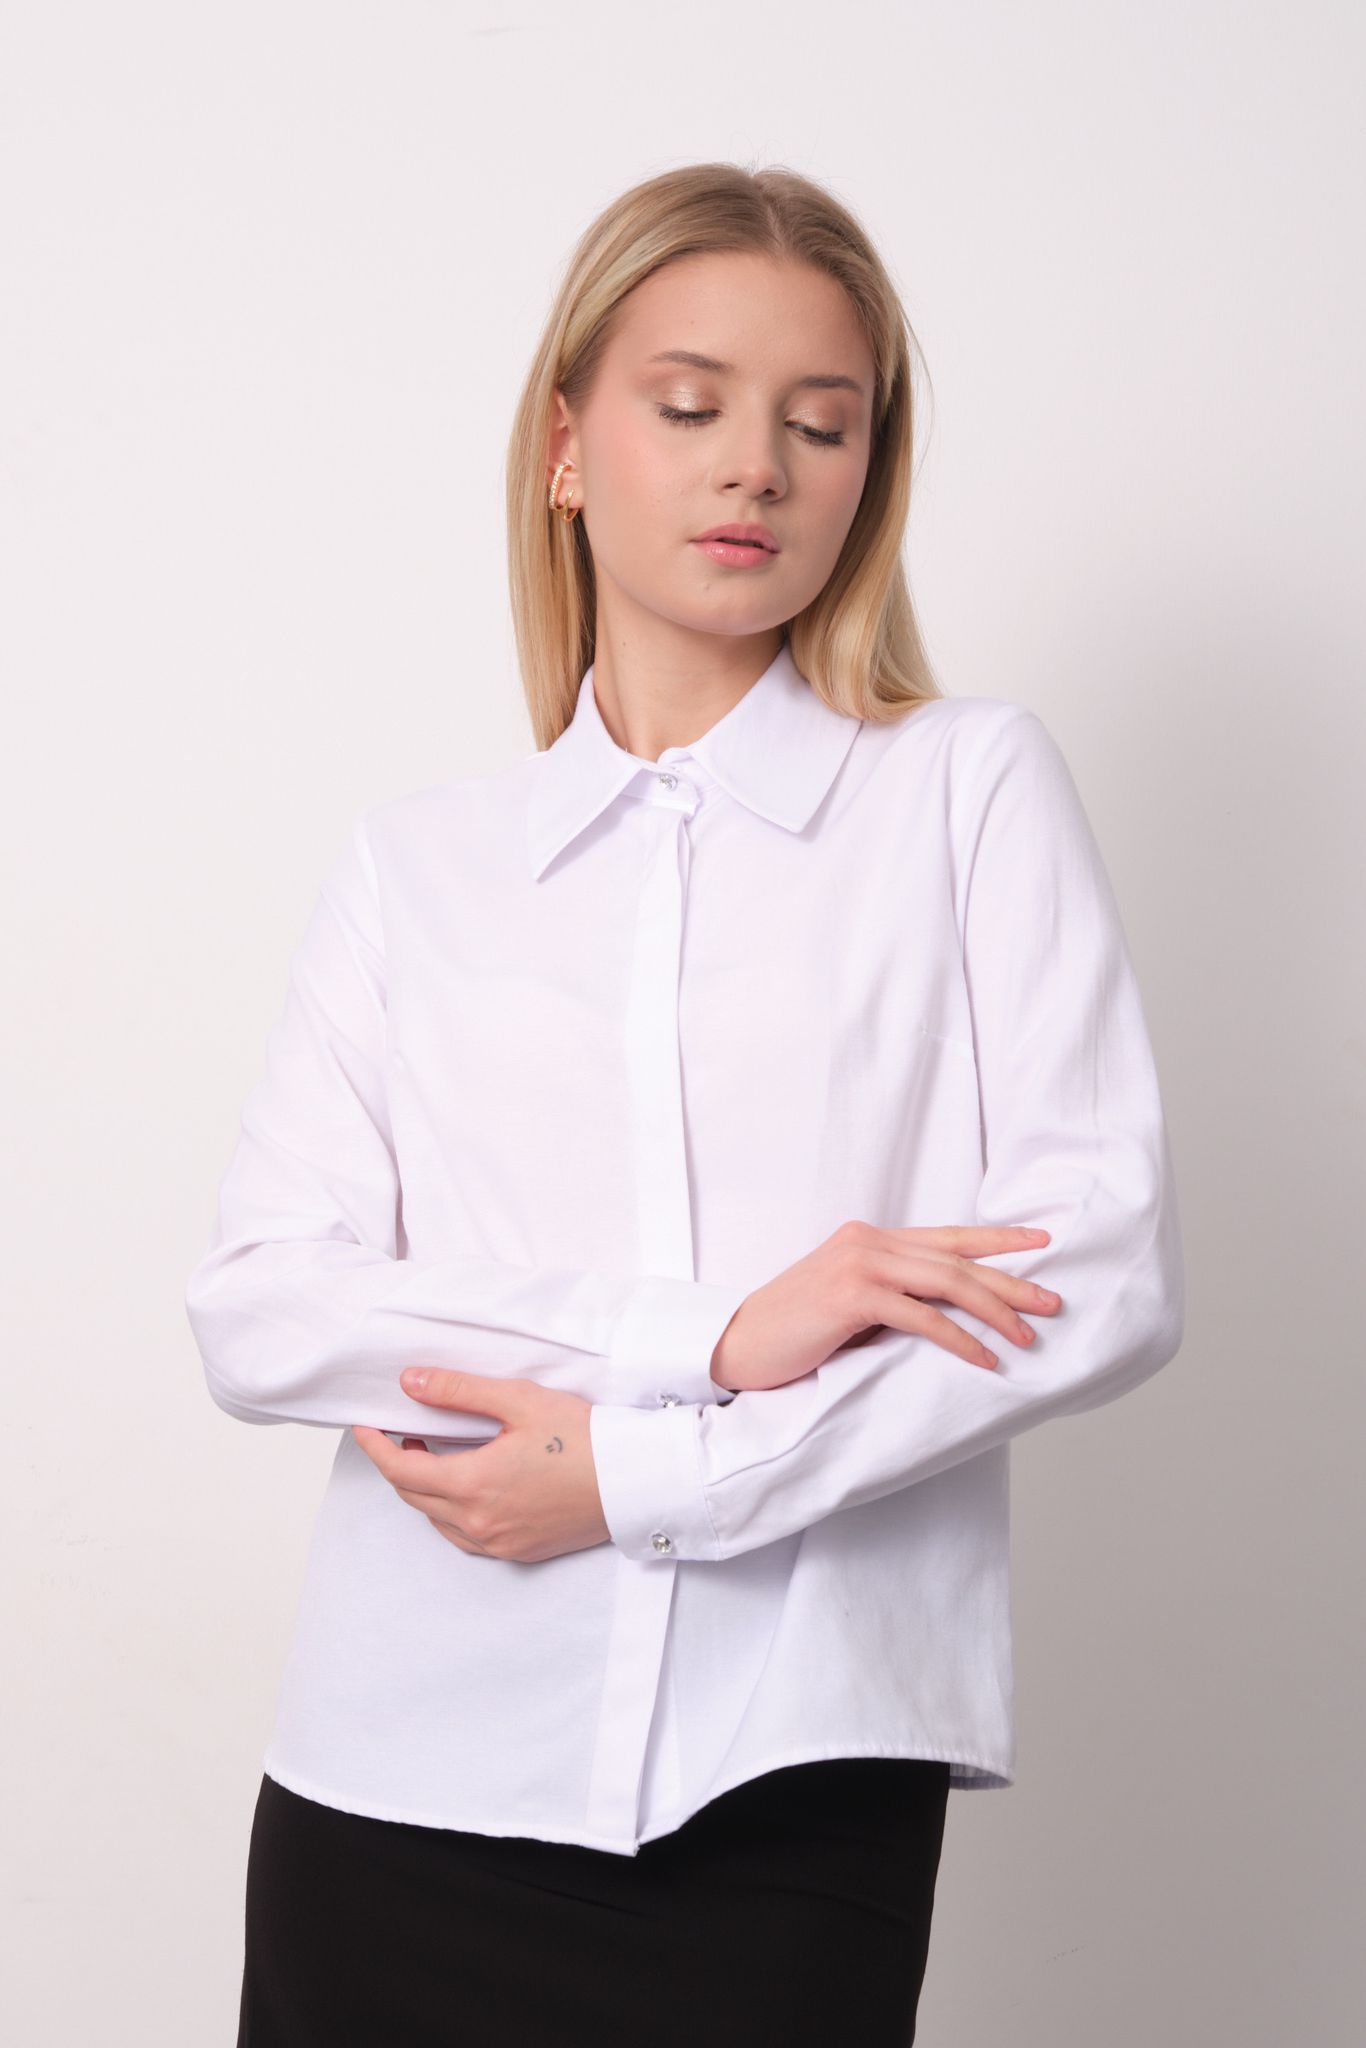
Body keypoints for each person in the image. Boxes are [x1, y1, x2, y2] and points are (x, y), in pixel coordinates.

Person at [185, 160, 1185, 2046]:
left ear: (867, 473)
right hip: (396, 1778)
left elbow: (1099, 1274)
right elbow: (264, 1309)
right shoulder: (419, 869)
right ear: (568, 447)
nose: (756, 469)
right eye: (691, 405)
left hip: (788, 1767)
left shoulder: (965, 791)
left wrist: (650, 1476)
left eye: (821, 423)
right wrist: (708, 1338)